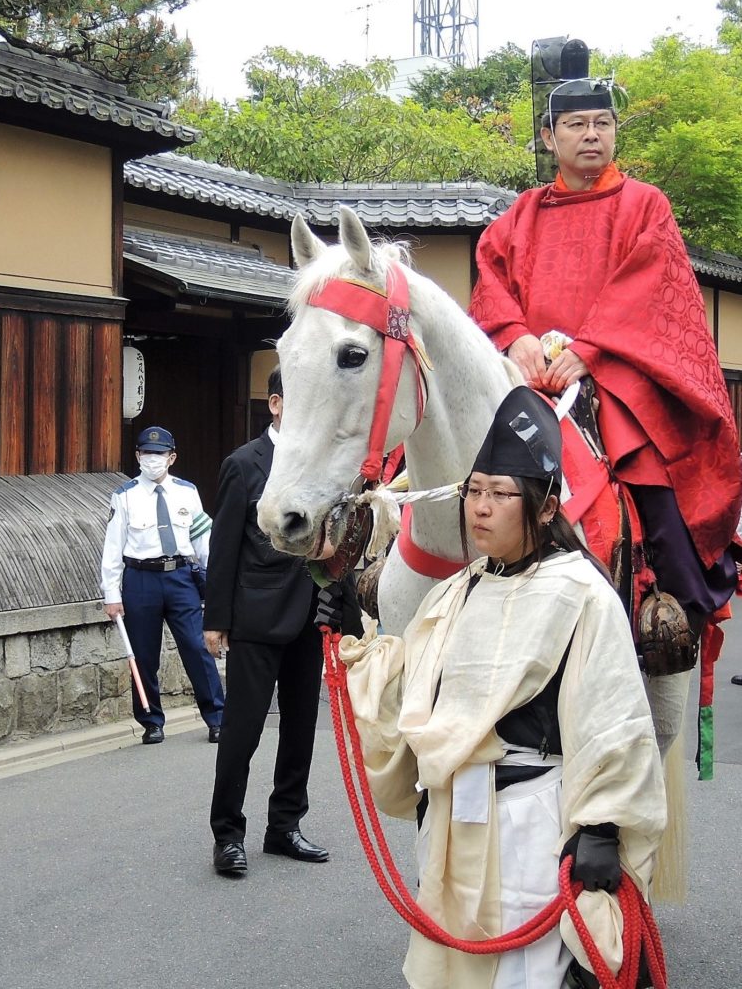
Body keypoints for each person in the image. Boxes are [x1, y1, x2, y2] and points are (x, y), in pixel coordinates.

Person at [331, 386, 666, 989]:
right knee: (455, 968)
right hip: (454, 818)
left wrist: (602, 829)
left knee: (523, 972)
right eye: (473, 491)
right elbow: (414, 691)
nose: (479, 508)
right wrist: (350, 637)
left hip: (530, 817)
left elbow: (614, 721)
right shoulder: (457, 591)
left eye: (498, 494)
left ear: (542, 507)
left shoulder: (582, 593)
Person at [468, 73, 741, 752]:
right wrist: (517, 335)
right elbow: (489, 279)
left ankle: (667, 628)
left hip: (619, 386)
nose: (591, 135)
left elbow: (654, 289)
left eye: (602, 124)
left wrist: (588, 350)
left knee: (663, 510)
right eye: (576, 125)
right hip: (528, 387)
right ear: (548, 137)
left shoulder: (645, 204)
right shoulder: (518, 217)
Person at [204, 366, 361, 877]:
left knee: (301, 729)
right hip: (255, 614)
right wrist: (215, 619)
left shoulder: (323, 464)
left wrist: (345, 609)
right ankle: (227, 834)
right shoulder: (244, 464)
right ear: (275, 404)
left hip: (311, 613)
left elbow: (337, 538)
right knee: (242, 732)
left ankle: (284, 826)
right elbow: (224, 545)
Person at [101, 426, 225, 744]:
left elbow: (202, 540)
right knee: (143, 655)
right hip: (140, 579)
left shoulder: (187, 492)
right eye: (146, 453)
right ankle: (151, 721)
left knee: (197, 649)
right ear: (138, 456)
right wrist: (111, 595)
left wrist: (216, 583)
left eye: (158, 454)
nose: (152, 459)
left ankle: (217, 718)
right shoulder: (124, 495)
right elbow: (113, 548)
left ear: (172, 457)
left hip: (181, 577)